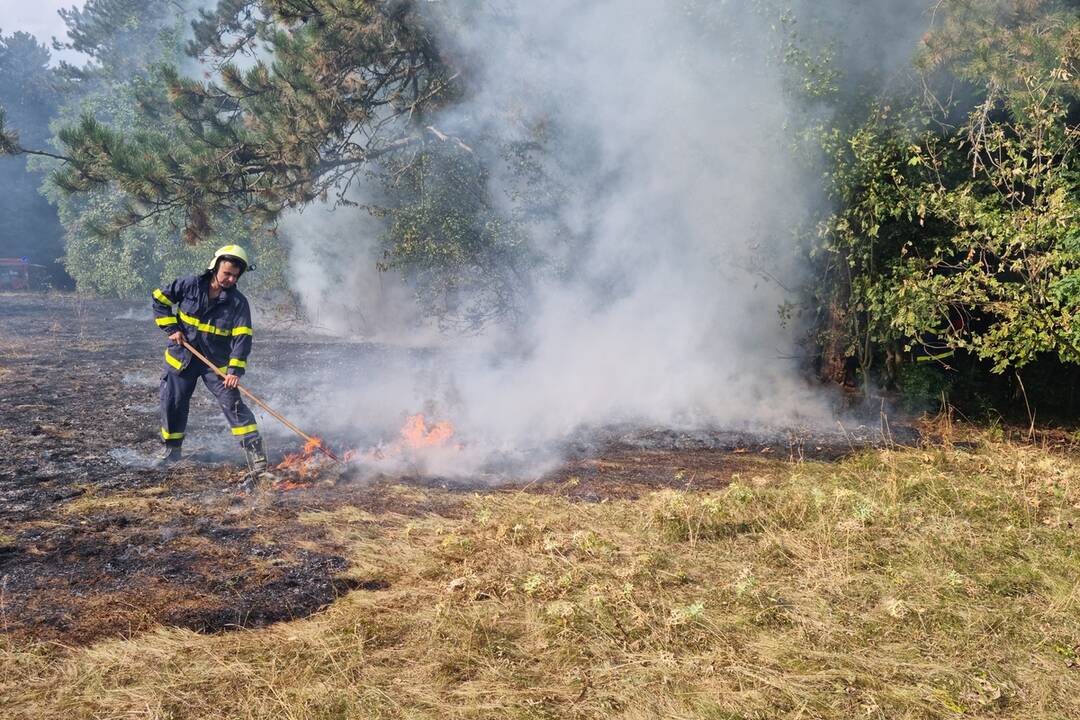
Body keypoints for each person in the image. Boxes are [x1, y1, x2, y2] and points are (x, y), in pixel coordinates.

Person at [151, 244, 267, 473]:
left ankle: (256, 453)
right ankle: (171, 450)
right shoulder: (188, 285)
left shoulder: (238, 303)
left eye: (235, 276)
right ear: (215, 267)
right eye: (227, 273)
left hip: (215, 364)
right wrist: (172, 328)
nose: (231, 279)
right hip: (182, 358)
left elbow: (242, 338)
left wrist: (234, 371)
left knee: (233, 404)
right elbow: (159, 300)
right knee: (173, 402)